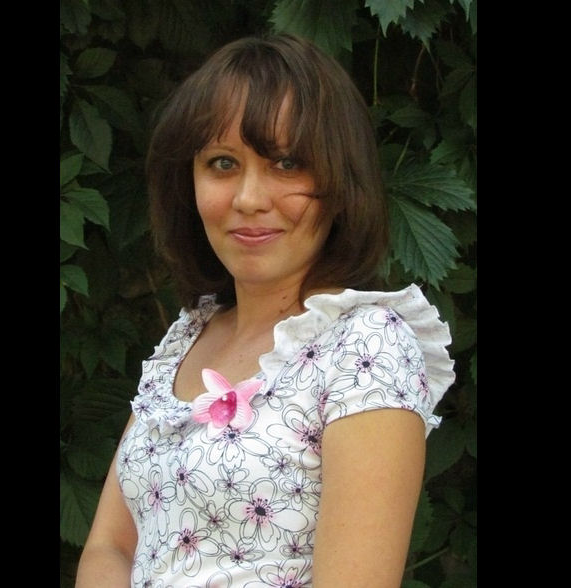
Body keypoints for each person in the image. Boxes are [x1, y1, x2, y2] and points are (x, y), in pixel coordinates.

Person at [75, 33, 455, 588]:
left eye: (287, 163)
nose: (249, 199)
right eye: (223, 163)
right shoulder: (189, 335)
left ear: (341, 179)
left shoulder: (366, 347)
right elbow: (111, 545)